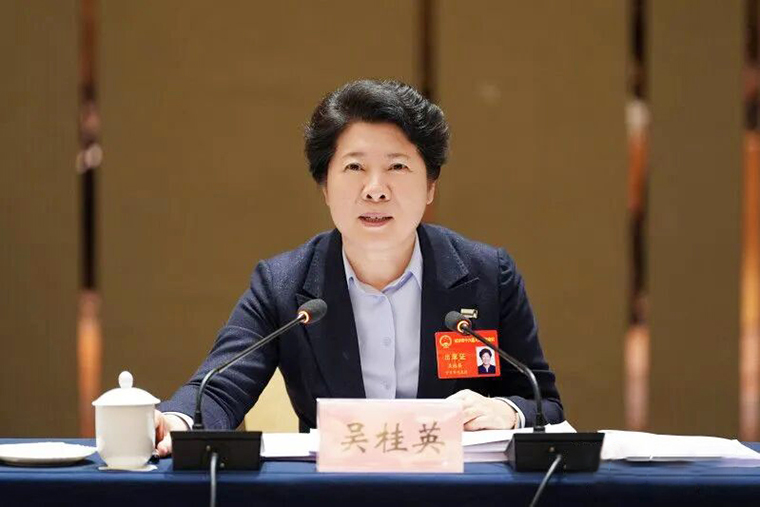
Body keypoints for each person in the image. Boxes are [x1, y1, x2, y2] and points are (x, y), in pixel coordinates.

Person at [154, 80, 563, 457]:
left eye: (397, 167)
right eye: (354, 167)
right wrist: (177, 420)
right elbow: (220, 388)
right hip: (332, 492)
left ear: (430, 185)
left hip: (455, 491)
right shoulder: (283, 284)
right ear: (325, 186)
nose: (375, 189)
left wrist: (508, 410)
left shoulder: (488, 275)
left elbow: (542, 399)